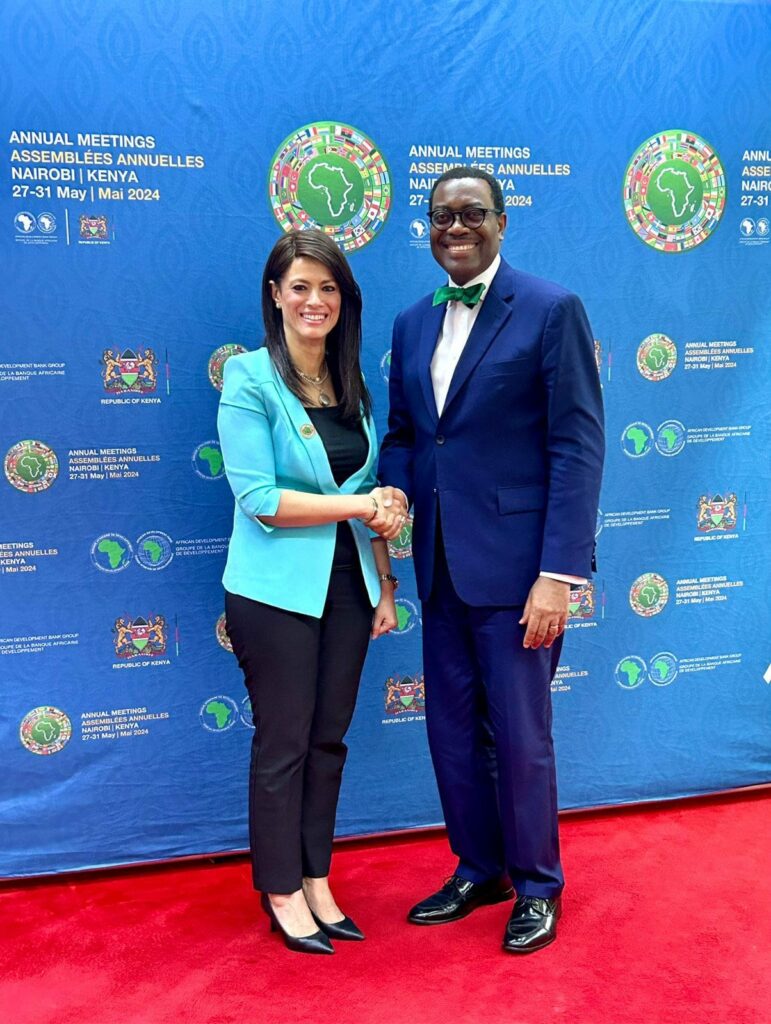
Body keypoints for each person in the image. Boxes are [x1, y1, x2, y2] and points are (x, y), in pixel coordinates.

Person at [378, 166, 604, 953]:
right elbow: (407, 434)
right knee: (449, 732)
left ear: (501, 222)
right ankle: (479, 868)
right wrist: (392, 491)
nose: (456, 227)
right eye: (442, 215)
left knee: (518, 735)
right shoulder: (410, 323)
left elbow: (576, 445)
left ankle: (537, 884)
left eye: (472, 213)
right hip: (439, 565)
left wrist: (558, 573)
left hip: (518, 573)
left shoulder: (549, 308)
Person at [218, 229, 407, 955]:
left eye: (328, 288)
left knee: (328, 741)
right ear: (275, 295)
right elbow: (261, 499)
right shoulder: (248, 377)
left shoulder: (348, 379)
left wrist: (384, 582)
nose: (314, 301)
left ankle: (316, 877)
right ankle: (280, 889)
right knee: (285, 744)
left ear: (343, 300)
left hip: (349, 588)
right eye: (299, 286)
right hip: (273, 595)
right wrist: (362, 506)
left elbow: (367, 489)